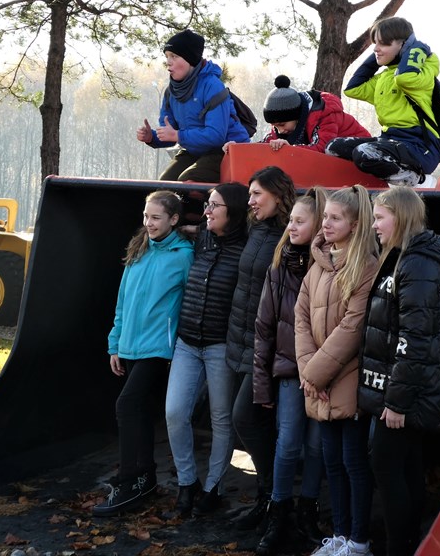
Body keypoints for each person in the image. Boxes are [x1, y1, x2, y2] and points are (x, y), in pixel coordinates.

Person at [358, 186, 440, 556]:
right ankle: (412, 542)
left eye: (380, 217)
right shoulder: (402, 256)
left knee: (384, 463)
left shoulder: (418, 265)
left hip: (408, 392)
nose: (374, 226)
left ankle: (400, 547)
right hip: (406, 387)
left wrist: (396, 402)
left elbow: (416, 339)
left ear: (401, 218)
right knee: (408, 464)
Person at [93, 190, 195, 516]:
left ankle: (129, 480)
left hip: (160, 349)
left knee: (127, 405)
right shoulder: (139, 250)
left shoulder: (183, 256)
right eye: (146, 216)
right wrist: (115, 343)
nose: (148, 223)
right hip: (132, 345)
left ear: (174, 220)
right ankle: (146, 477)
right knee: (139, 411)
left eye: (155, 217)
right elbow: (123, 301)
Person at [295, 185, 379, 556]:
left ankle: (359, 540)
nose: (325, 224)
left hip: (349, 379)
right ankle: (341, 536)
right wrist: (309, 375)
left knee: (353, 461)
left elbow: (353, 327)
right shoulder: (318, 264)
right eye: (325, 216)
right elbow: (300, 320)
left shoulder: (365, 267)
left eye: (334, 218)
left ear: (355, 223)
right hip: (319, 382)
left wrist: (314, 375)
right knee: (332, 461)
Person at [164, 182, 249, 517]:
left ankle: (212, 487)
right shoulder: (202, 238)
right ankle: (188, 482)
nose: (207, 211)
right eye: (208, 205)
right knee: (174, 412)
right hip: (187, 342)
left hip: (220, 347)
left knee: (221, 419)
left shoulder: (246, 249)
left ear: (234, 212)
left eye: (215, 206)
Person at [253, 185, 328, 556]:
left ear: (319, 227)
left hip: (323, 375)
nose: (292, 227)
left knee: (316, 447)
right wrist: (262, 385)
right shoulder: (279, 266)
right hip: (287, 371)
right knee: (287, 444)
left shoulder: (331, 268)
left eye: (301, 222)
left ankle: (307, 511)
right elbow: (264, 327)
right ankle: (278, 512)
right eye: (291, 221)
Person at [225, 166, 297, 529]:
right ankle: (267, 497)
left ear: (278, 195)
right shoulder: (257, 228)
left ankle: (275, 498)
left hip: (266, 347)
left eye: (257, 194)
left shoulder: (290, 236)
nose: (251, 201)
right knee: (252, 423)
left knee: (245, 419)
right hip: (241, 341)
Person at [327, 17, 440, 187]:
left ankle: (417, 180)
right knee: (333, 147)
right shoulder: (384, 77)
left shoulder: (423, 73)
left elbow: (405, 79)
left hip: (420, 147)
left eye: (384, 43)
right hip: (390, 143)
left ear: (405, 45)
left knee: (364, 152)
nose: (376, 48)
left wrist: (415, 48)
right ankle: (377, 183)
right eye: (375, 43)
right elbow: (353, 89)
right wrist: (377, 57)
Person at [137, 29, 251, 183]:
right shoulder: (171, 92)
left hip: (225, 150)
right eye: (167, 56)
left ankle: (205, 206)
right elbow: (170, 133)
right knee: (165, 184)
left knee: (189, 181)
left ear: (190, 60)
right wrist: (152, 137)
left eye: (174, 56)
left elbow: (216, 136)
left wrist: (178, 136)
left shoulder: (212, 86)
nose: (168, 62)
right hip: (194, 150)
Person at [242, 75, 371, 153]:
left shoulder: (325, 115)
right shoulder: (282, 128)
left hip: (359, 152)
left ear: (296, 115)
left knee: (331, 148)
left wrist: (291, 149)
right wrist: (238, 149)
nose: (279, 130)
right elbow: (265, 144)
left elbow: (321, 148)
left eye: (282, 124)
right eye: (275, 126)